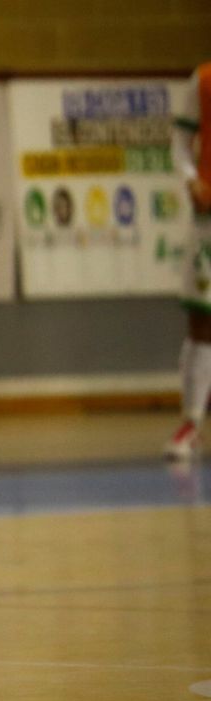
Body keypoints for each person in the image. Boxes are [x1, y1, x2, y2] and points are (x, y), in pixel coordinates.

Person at [168, 60, 211, 459]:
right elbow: (180, 142)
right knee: (203, 322)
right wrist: (191, 178)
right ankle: (192, 421)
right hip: (209, 221)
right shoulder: (203, 79)